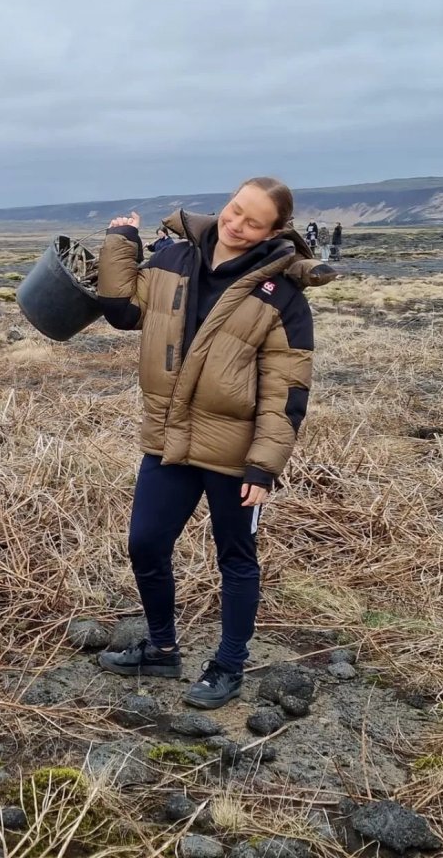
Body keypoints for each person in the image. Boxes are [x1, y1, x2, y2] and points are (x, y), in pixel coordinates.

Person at [95, 177, 335, 708]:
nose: (237, 224)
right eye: (235, 210)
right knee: (146, 544)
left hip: (235, 453)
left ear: (276, 230)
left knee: (236, 557)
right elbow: (121, 308)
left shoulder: (282, 295)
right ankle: (161, 648)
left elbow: (286, 387)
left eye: (254, 221)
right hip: (168, 439)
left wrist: (264, 466)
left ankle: (228, 665)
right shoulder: (175, 258)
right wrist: (121, 242)